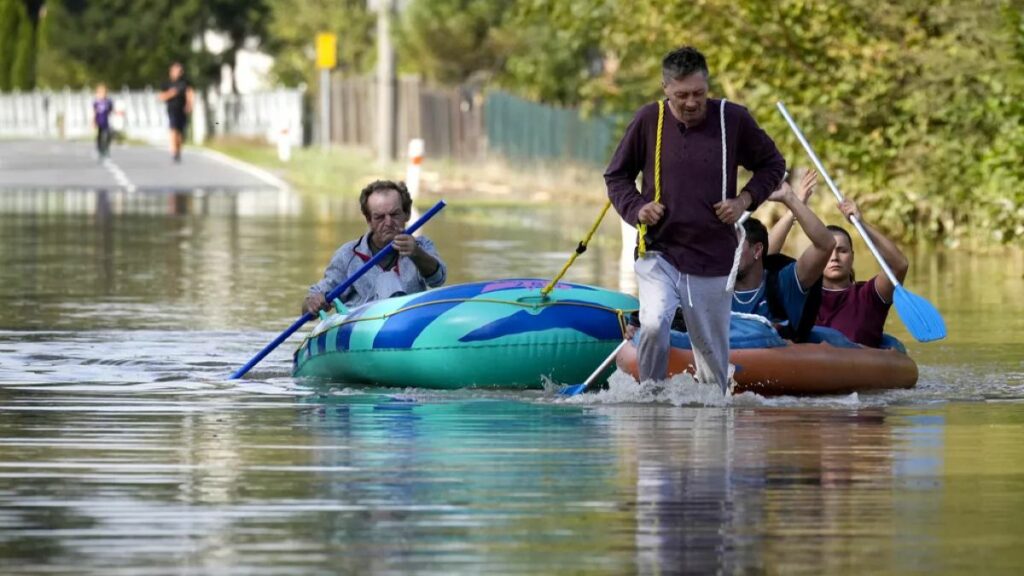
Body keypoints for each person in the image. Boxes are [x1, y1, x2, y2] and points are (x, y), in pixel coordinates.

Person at [605, 46, 786, 392]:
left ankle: (715, 416)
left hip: (713, 255)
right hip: (659, 250)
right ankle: (650, 402)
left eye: (699, 94)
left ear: (708, 86)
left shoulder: (731, 119)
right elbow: (616, 177)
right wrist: (637, 208)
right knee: (655, 324)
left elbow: (773, 165)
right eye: (681, 95)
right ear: (665, 89)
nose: (691, 103)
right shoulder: (648, 120)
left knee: (712, 360)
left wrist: (744, 200)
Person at [303, 180, 447, 314]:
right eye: (379, 217)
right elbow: (313, 299)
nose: (388, 222)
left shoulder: (421, 246)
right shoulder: (347, 254)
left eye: (395, 214)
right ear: (369, 220)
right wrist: (313, 302)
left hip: (409, 324)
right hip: (361, 331)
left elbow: (438, 280)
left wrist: (417, 254)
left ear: (407, 214)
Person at [731, 173, 836, 342]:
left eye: (734, 246)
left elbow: (825, 245)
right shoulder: (716, 286)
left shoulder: (784, 283)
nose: (725, 252)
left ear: (756, 250)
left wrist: (790, 199)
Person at [815, 199, 909, 347]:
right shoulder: (802, 296)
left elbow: (899, 265)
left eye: (842, 251)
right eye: (828, 251)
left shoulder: (869, 295)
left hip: (860, 365)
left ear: (852, 256)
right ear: (816, 257)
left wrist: (861, 223)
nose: (834, 257)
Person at [157, 62, 194, 163]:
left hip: (182, 110)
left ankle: (178, 150)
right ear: (171, 72)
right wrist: (171, 93)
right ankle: (174, 152)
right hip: (172, 110)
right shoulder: (167, 83)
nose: (178, 73)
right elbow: (160, 97)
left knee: (181, 133)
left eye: (179, 71)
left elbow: (190, 93)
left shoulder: (185, 83)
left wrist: (190, 105)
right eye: (175, 71)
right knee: (173, 130)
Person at [92, 84, 113, 160]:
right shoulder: (97, 102)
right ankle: (100, 150)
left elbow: (111, 111)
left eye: (104, 93)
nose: (102, 94)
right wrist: (93, 121)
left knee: (108, 135)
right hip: (99, 121)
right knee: (100, 136)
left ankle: (106, 148)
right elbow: (95, 112)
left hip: (106, 121)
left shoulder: (108, 102)